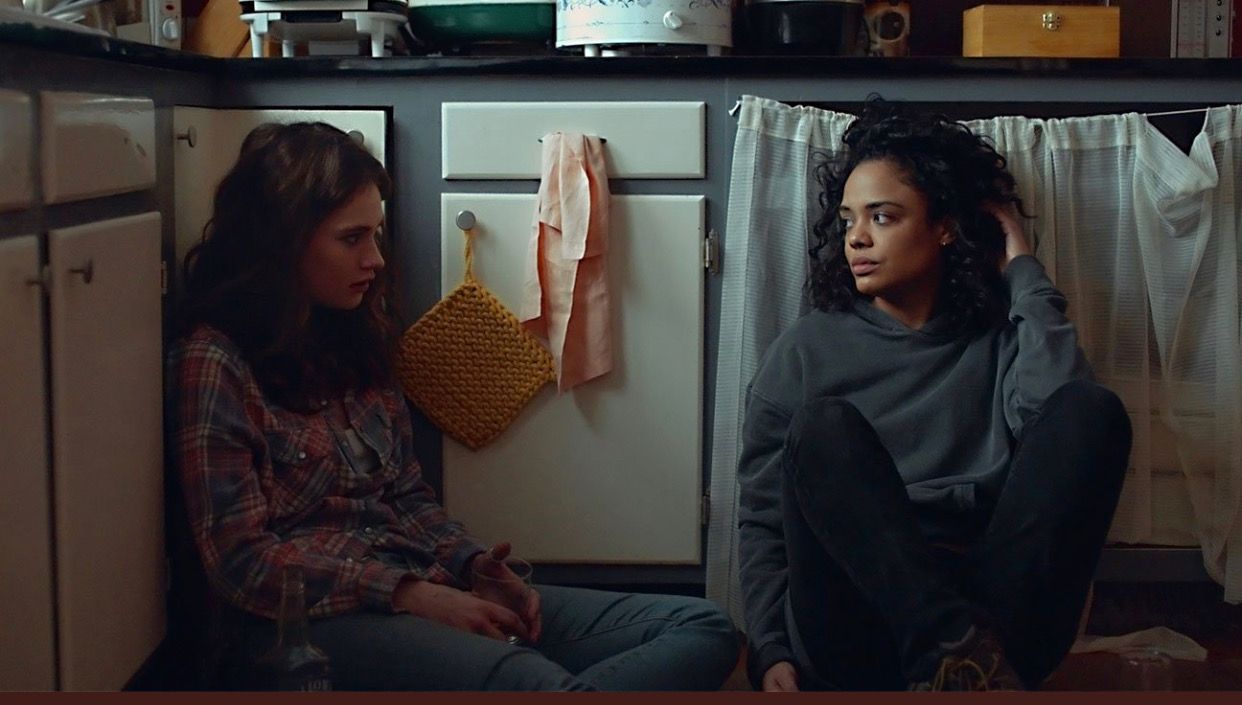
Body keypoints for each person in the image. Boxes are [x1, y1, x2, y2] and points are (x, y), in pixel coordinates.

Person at [169, 121, 740, 691]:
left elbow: (407, 497)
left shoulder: (349, 337)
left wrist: (472, 567)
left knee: (701, 626)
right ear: (283, 242)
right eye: (352, 239)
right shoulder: (217, 360)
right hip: (312, 623)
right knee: (547, 687)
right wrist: (414, 598)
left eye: (376, 236)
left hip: (420, 579)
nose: (376, 260)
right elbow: (240, 562)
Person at [736, 100, 1133, 692]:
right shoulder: (805, 351)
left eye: (883, 217)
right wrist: (769, 649)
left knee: (1092, 410)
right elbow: (763, 522)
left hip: (992, 601)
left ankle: (964, 660)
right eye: (848, 221)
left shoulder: (1000, 339)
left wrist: (1024, 272)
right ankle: (957, 655)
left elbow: (1062, 429)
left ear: (945, 225)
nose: (857, 239)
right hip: (856, 619)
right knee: (824, 429)